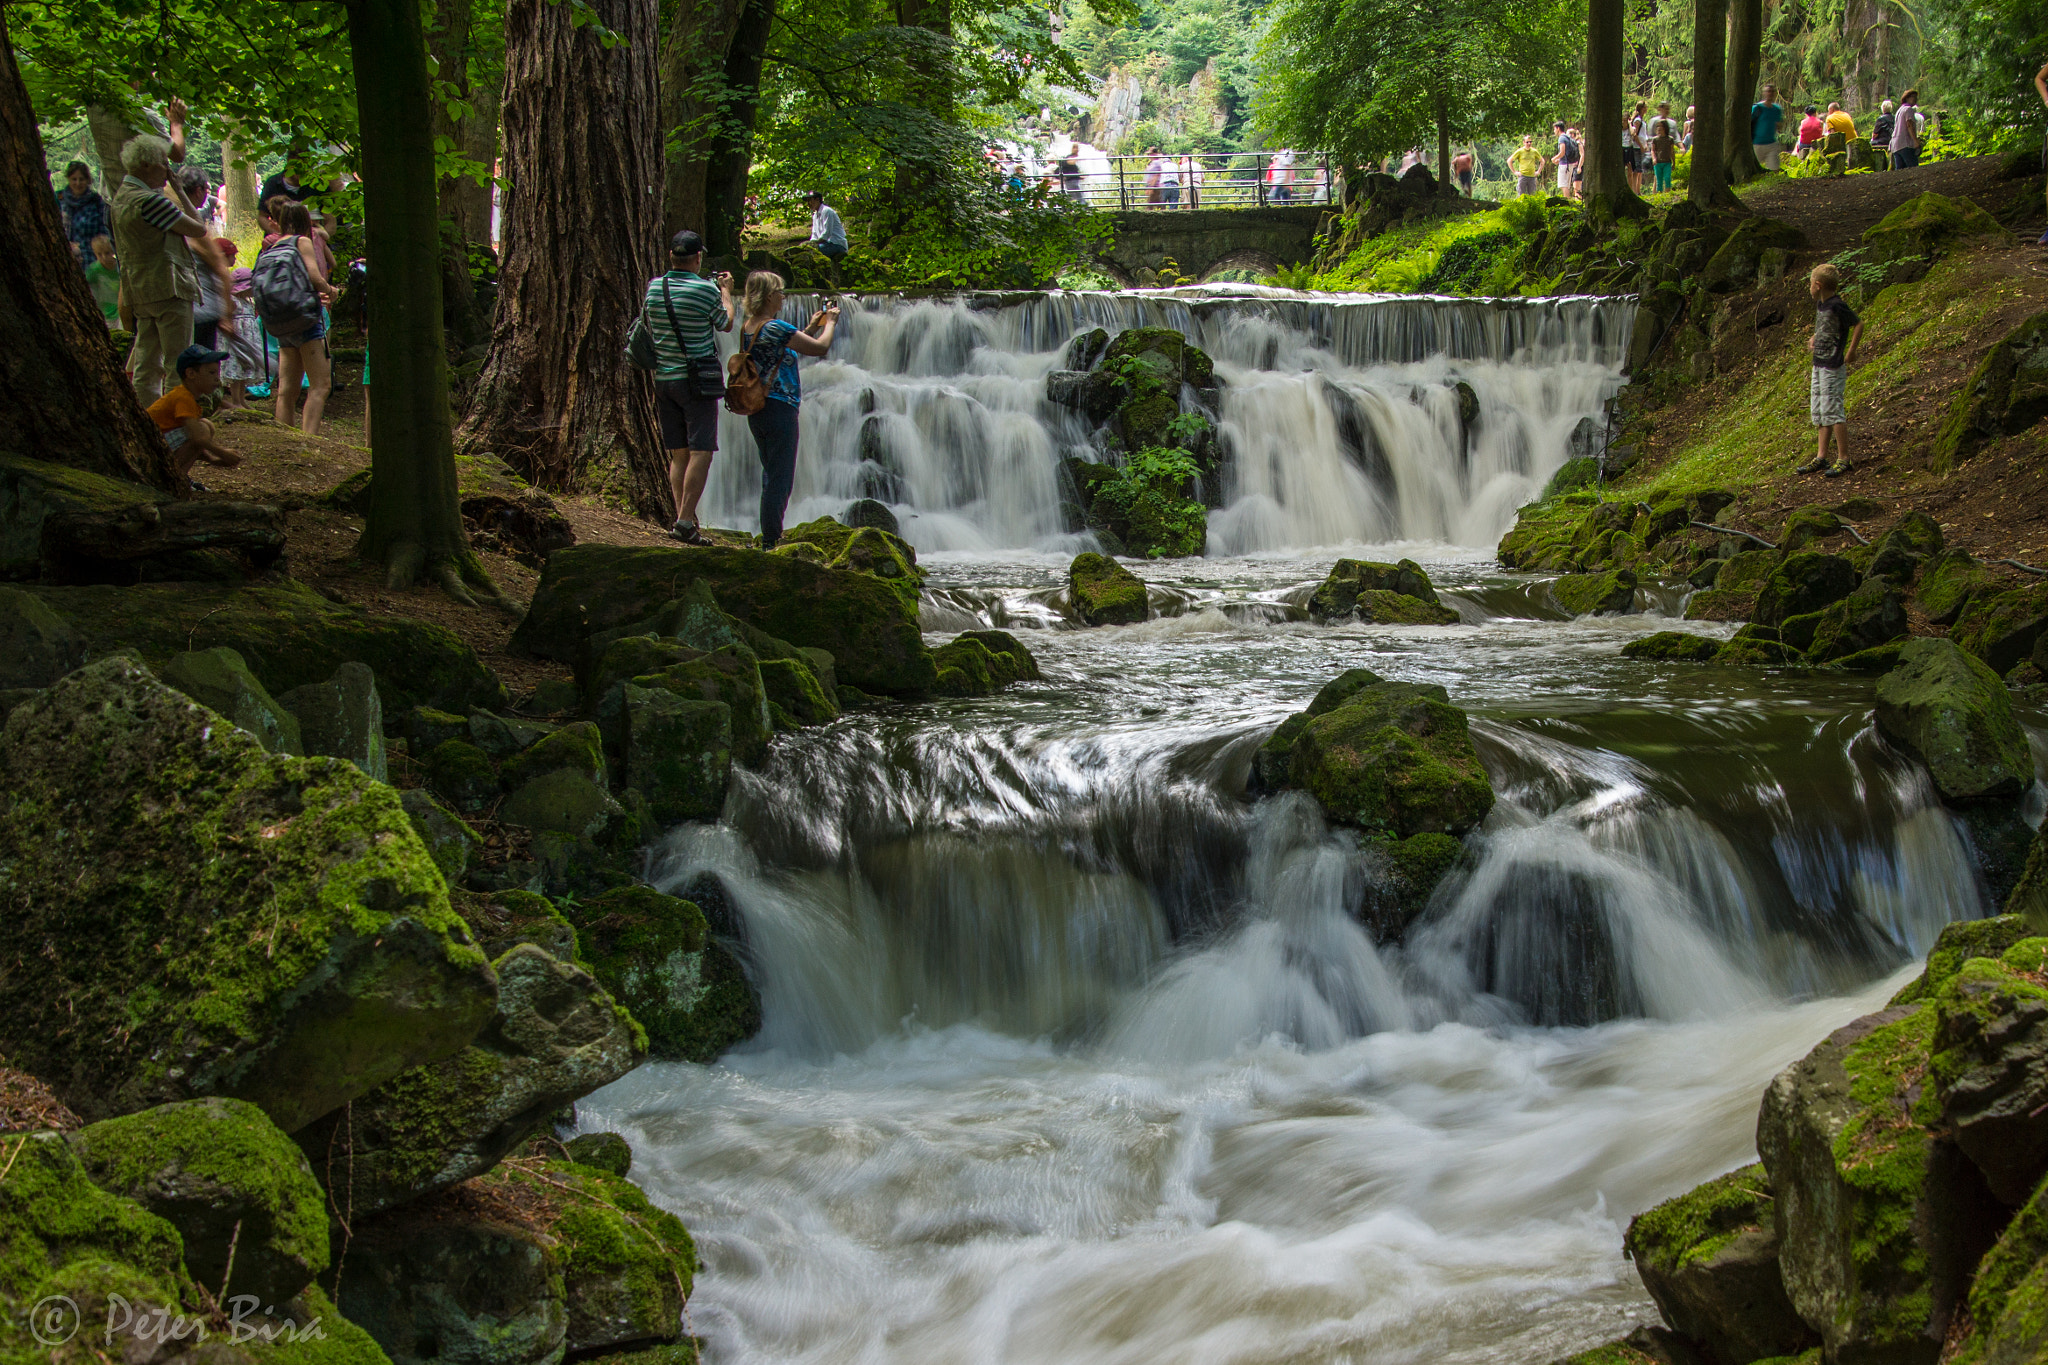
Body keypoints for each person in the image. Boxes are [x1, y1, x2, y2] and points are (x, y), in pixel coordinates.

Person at [733, 271, 839, 551]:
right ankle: (771, 540)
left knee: (771, 472)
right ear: (769, 296)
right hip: (780, 407)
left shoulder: (750, 326)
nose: (783, 297)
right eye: (780, 292)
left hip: (758, 408)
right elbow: (820, 349)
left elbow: (786, 350)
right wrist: (831, 324)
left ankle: (770, 533)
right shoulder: (776, 326)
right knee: (781, 476)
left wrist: (811, 326)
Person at [112, 131, 219, 405]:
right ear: (146, 164)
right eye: (163, 163)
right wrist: (180, 191)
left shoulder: (121, 198)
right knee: (178, 363)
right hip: (168, 288)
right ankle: (178, 425)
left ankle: (149, 420)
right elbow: (197, 228)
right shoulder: (150, 202)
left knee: (146, 363)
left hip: (141, 290)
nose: (167, 170)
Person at [649, 229, 737, 545]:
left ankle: (682, 520)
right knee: (702, 451)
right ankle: (685, 520)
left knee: (678, 454)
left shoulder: (654, 287)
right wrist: (725, 292)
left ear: (672, 256)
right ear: (698, 257)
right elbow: (725, 322)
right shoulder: (705, 290)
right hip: (696, 380)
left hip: (663, 379)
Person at [266, 201, 340, 435]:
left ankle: (286, 442)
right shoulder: (302, 241)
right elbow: (315, 277)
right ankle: (309, 442)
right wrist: (331, 291)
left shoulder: (274, 245)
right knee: (320, 385)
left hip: (282, 321)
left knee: (286, 390)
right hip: (305, 319)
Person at [1796, 264, 1863, 478]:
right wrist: (1815, 338)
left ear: (1818, 285)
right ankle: (1821, 456)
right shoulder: (1821, 306)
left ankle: (1844, 458)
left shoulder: (1837, 305)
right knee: (1819, 410)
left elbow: (1858, 324)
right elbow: (1827, 327)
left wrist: (1851, 350)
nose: (1809, 288)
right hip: (1819, 364)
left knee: (1833, 410)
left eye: (1810, 284)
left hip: (1833, 365)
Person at [148, 345, 243, 485]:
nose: (217, 379)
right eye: (211, 373)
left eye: (217, 373)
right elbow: (198, 438)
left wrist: (212, 459)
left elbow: (192, 442)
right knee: (203, 428)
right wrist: (222, 453)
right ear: (191, 374)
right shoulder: (183, 397)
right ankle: (173, 480)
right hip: (152, 446)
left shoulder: (188, 397)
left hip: (160, 445)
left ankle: (179, 477)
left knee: (206, 425)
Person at [54, 161, 112, 270]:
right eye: (74, 179)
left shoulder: (96, 202)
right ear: (68, 179)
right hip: (64, 261)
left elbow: (104, 233)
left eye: (81, 179)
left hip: (91, 261)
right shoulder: (58, 199)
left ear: (88, 180)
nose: (78, 183)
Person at [84, 235, 120, 328]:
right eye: (99, 254)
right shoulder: (93, 270)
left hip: (120, 312)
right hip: (104, 314)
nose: (104, 257)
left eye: (107, 253)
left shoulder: (120, 268)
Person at [803, 190, 847, 261]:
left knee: (812, 253)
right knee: (806, 251)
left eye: (810, 200)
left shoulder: (827, 211)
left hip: (836, 244)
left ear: (817, 199)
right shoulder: (815, 216)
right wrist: (810, 244)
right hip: (825, 244)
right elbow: (814, 235)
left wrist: (814, 244)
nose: (808, 204)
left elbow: (826, 234)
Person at [1750, 84, 1786, 172]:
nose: (1770, 93)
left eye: (1772, 91)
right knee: (1753, 170)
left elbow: (1779, 125)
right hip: (1756, 144)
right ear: (1764, 93)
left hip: (1771, 144)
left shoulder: (1777, 109)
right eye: (1768, 91)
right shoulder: (1757, 108)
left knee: (1775, 169)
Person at [1649, 102, 1680, 193]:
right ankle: (1656, 194)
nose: (1666, 111)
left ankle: (1666, 193)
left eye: (1668, 109)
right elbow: (1650, 138)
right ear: (1660, 109)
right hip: (1657, 155)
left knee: (1667, 178)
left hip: (1666, 158)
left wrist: (1681, 147)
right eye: (1664, 108)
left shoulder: (1672, 123)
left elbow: (1676, 138)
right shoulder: (1654, 121)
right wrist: (1653, 157)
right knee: (1658, 178)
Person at [1889, 89, 1923, 170]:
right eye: (1913, 97)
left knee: (1900, 171)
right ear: (1906, 98)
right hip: (1906, 143)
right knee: (1913, 168)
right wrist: (1915, 141)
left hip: (1896, 145)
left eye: (1916, 97)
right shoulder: (1908, 109)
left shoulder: (1899, 110)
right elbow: (1909, 125)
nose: (1915, 99)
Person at [1551, 121, 1579, 198]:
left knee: (1563, 185)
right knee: (1566, 185)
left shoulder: (1562, 138)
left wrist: (1554, 158)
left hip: (1564, 165)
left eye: (1554, 129)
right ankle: (1568, 203)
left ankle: (1567, 203)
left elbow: (1562, 152)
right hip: (1569, 163)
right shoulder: (1567, 137)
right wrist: (1559, 160)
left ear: (1558, 128)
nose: (1554, 131)